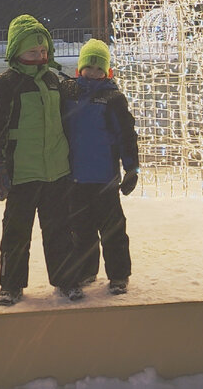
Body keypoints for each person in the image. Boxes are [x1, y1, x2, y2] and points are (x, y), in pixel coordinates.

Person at [0, 14, 83, 306]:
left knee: (60, 230)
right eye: (32, 52)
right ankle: (11, 285)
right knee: (16, 233)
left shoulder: (55, 81)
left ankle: (67, 280)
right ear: (16, 52)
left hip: (56, 171)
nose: (39, 57)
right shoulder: (7, 85)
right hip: (22, 172)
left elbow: (67, 123)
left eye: (43, 52)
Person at [62, 38, 139, 295]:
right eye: (89, 67)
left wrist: (131, 168)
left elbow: (126, 135)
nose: (93, 73)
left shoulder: (113, 98)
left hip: (105, 178)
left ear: (107, 71)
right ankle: (86, 270)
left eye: (99, 68)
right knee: (81, 231)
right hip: (76, 179)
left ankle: (119, 274)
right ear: (79, 69)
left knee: (113, 231)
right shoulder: (70, 95)